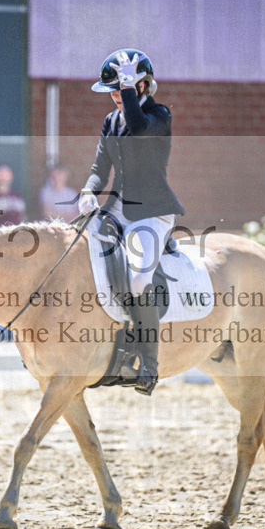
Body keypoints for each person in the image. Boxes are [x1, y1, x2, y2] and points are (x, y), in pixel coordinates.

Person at [77, 48, 185, 395]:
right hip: (118, 209)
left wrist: (128, 89)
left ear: (141, 87)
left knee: (138, 280)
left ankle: (148, 366)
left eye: (120, 90)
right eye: (112, 91)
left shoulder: (160, 115)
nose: (115, 98)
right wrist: (87, 191)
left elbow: (138, 127)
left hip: (152, 212)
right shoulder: (110, 121)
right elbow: (99, 170)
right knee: (77, 251)